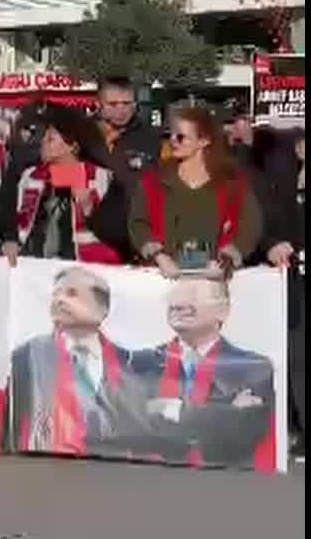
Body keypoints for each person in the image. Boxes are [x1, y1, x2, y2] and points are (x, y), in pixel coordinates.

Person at [127, 276, 276, 468]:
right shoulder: (141, 362)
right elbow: (130, 421)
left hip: (225, 478)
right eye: (174, 299)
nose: (177, 305)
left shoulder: (253, 367)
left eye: (192, 296)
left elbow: (243, 432)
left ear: (222, 311)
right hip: (150, 476)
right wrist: (224, 411)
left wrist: (173, 409)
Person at [9, 266, 136, 455]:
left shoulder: (129, 361)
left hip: (115, 468)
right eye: (56, 295)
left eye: (72, 294)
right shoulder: (28, 356)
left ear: (102, 309)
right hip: (50, 466)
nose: (59, 300)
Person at [129, 106, 262, 277]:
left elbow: (250, 225)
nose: (172, 140)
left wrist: (230, 255)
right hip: (163, 279)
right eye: (169, 134)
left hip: (214, 280)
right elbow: (138, 223)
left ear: (204, 140)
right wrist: (158, 256)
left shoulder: (232, 183)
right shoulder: (152, 182)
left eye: (180, 137)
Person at [5, 108, 126, 264]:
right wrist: (11, 240)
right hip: (33, 267)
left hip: (86, 267)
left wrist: (90, 209)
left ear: (72, 146)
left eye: (51, 139)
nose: (42, 142)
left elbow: (118, 232)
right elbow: (13, 218)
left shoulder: (101, 178)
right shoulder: (31, 176)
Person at [257, 131, 303, 458]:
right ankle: (294, 425)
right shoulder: (280, 180)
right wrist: (272, 242)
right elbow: (263, 221)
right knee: (295, 356)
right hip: (294, 280)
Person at [94, 76, 163, 177]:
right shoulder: (80, 134)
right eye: (113, 104)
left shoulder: (149, 137)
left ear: (135, 105)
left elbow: (152, 182)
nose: (121, 111)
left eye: (126, 103)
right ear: (98, 105)